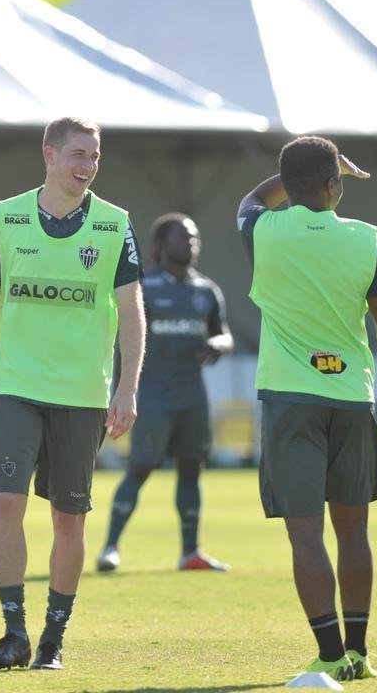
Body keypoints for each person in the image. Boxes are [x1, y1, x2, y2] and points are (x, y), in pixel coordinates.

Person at [236, 136, 377, 682]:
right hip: (351, 399)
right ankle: (358, 653)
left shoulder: (264, 231)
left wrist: (296, 174)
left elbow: (250, 201)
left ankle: (329, 655)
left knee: (305, 534)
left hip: (290, 400)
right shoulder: (368, 240)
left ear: (289, 185)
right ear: (334, 185)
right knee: (354, 533)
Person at [0, 116, 145, 672]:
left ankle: (52, 639)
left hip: (83, 394)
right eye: (78, 154)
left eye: (95, 156)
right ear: (49, 154)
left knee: (69, 518)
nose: (88, 165)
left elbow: (132, 313)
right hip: (15, 387)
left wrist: (128, 386)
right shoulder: (6, 215)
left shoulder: (114, 224)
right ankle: (13, 633)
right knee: (7, 501)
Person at [97, 213, 233, 574]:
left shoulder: (206, 290)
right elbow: (123, 340)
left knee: (191, 470)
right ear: (161, 244)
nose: (192, 243)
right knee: (139, 468)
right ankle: (110, 547)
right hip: (152, 395)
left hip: (192, 396)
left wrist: (219, 343)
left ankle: (191, 552)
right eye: (184, 237)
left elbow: (223, 333)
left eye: (195, 237)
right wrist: (121, 391)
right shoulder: (144, 286)